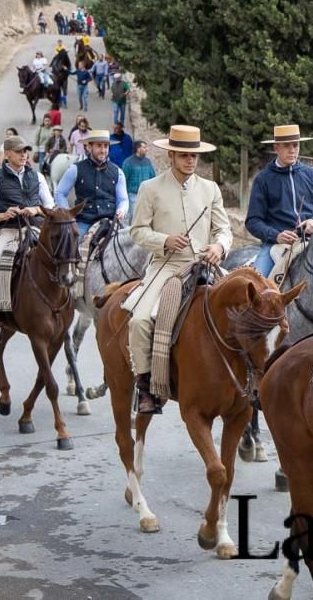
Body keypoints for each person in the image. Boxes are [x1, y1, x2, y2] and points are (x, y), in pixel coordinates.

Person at [126, 125, 233, 414]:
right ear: (171, 155)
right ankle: (146, 385)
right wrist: (164, 240)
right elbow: (137, 231)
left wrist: (219, 247)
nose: (190, 161)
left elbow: (224, 229)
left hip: (205, 264)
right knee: (139, 321)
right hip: (167, 266)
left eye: (194, 156)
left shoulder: (210, 189)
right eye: (184, 155)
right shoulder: (151, 189)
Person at [0, 135, 54, 342]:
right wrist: (2, 215)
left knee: (62, 258)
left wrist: (35, 209)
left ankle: (64, 307)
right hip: (8, 231)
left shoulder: (37, 177)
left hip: (35, 229)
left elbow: (50, 206)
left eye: (25, 151)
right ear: (7, 153)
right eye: (19, 152)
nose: (24, 155)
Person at [245, 124, 313, 277]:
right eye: (286, 146)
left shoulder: (312, 175)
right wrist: (276, 235)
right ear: (276, 148)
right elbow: (253, 221)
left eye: (295, 145)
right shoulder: (263, 179)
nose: (292, 150)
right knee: (256, 285)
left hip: (312, 241)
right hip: (275, 244)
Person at [53, 129, 128, 238]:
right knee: (69, 245)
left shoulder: (118, 172)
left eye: (105, 146)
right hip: (84, 222)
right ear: (89, 147)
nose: (103, 150)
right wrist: (67, 215)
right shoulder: (75, 169)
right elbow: (60, 193)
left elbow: (123, 199)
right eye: (99, 146)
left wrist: (122, 209)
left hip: (110, 221)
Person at [122, 140, 155, 218]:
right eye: (144, 147)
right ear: (137, 149)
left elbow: (153, 177)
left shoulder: (148, 161)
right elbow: (124, 180)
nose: (146, 149)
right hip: (133, 195)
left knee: (146, 216)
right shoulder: (128, 162)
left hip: (146, 195)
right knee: (134, 217)